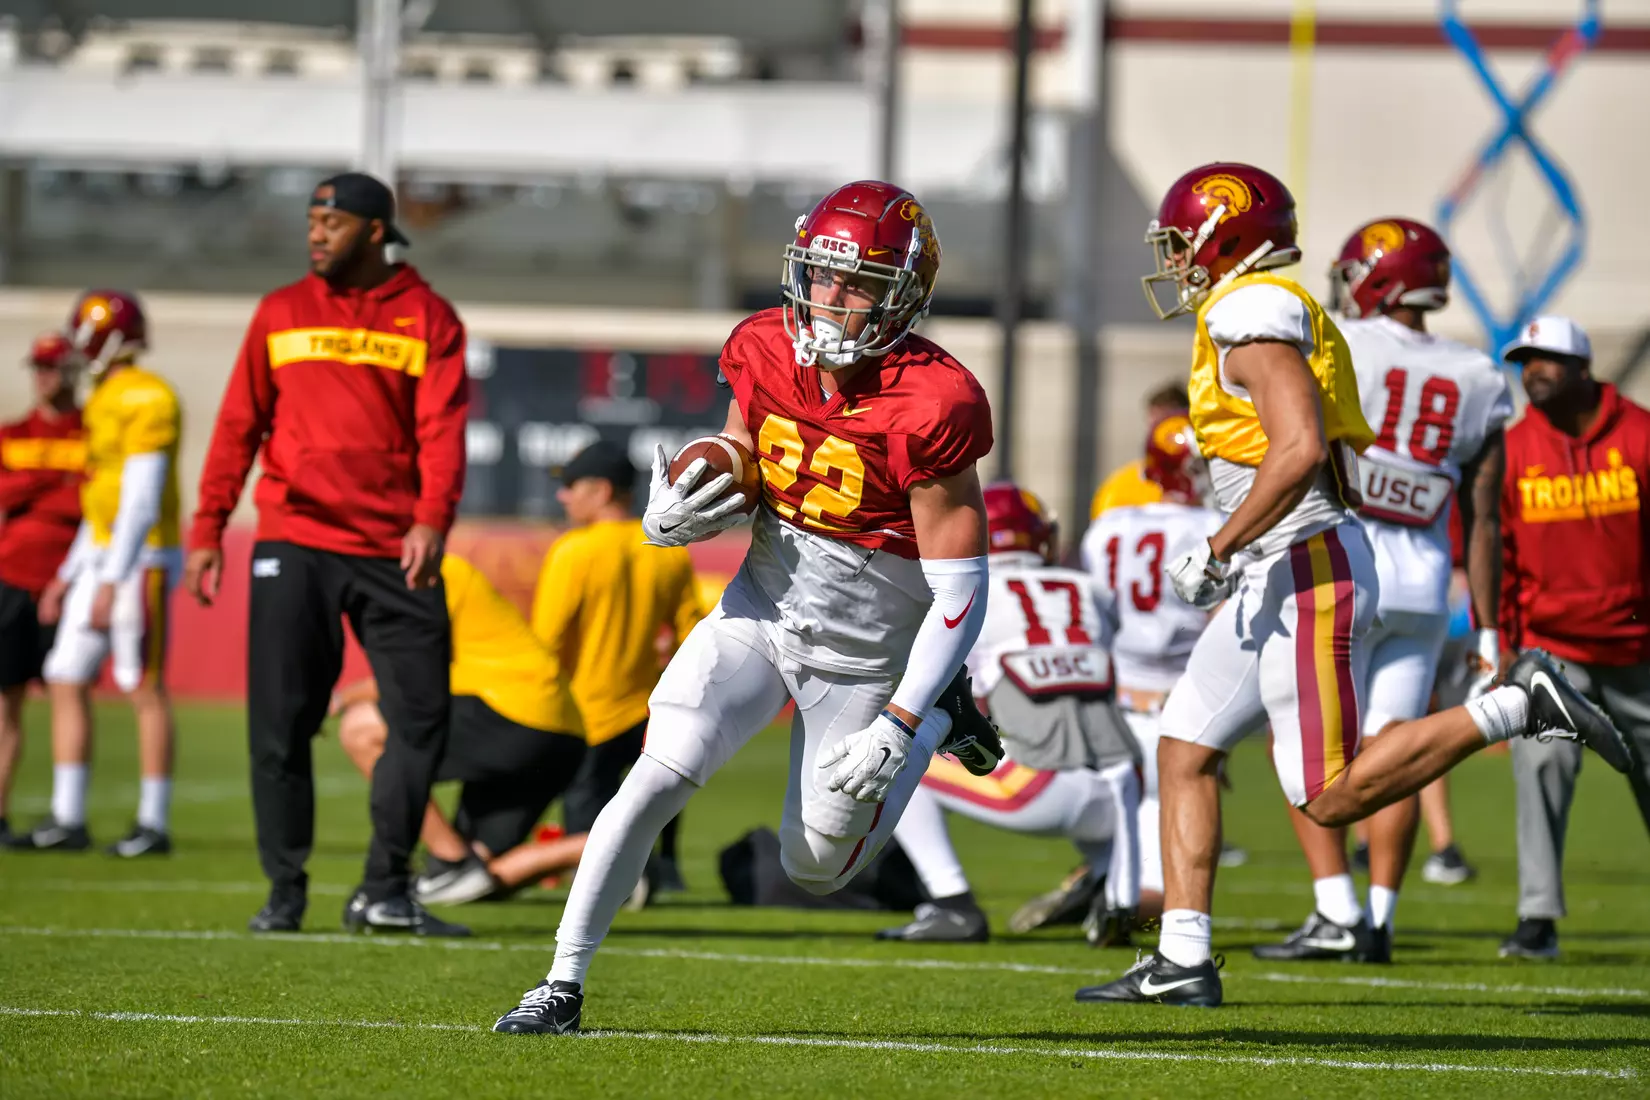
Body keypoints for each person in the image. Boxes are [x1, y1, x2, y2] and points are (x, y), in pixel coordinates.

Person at [1075, 163, 1630, 1009]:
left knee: (1329, 793)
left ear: (1225, 236)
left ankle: (1519, 704)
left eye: (1183, 243)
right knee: (1184, 746)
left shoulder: (1249, 310)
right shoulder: (1266, 309)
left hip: (1303, 565)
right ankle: (1183, 958)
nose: (1176, 261)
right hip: (1287, 565)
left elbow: (1299, 446)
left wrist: (1219, 544)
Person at [493, 179, 1004, 1035]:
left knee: (815, 869)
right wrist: (691, 494)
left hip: (866, 659)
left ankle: (944, 719)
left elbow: (961, 587)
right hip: (761, 614)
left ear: (904, 295)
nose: (831, 298)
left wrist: (904, 718)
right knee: (653, 777)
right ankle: (560, 984)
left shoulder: (934, 401)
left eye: (859, 283)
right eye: (822, 274)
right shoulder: (764, 344)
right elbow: (740, 445)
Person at [185, 172, 470, 936]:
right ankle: (285, 892)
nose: (315, 233)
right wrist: (207, 528)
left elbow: (443, 431)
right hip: (294, 540)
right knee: (279, 726)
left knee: (422, 719)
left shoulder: (429, 317)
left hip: (395, 549)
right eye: (312, 220)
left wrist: (431, 520)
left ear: (375, 232)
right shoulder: (279, 311)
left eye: (332, 222)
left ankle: (385, 888)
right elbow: (238, 425)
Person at [1255, 217, 1512, 963]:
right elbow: (1485, 517)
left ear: (1378, 277)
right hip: (1427, 585)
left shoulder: (1339, 340)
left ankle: (1334, 907)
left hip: (1344, 567)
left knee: (1298, 742)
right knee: (1394, 750)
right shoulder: (1479, 374)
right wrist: (1488, 630)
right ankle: (1382, 918)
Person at [880, 483, 1141, 945]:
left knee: (892, 756)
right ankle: (1107, 878)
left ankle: (952, 903)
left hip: (1040, 789)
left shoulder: (968, 594)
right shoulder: (1091, 590)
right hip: (1123, 792)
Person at [1497, 315, 1650, 959]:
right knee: (1541, 764)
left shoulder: (1641, 435)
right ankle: (1537, 919)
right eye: (1525, 360)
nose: (1533, 370)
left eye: (1548, 358)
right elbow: (1499, 553)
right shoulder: (1512, 449)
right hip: (1553, 652)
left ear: (1584, 368)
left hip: (1640, 649)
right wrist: (1504, 644)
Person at [13, 294, 182, 858]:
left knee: (143, 684)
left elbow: (141, 500)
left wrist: (112, 578)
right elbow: (103, 499)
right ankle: (68, 816)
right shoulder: (104, 397)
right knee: (65, 673)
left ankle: (153, 822)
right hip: (104, 552)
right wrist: (69, 574)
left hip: (142, 557)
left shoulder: (148, 396)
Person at [332, 553, 585, 905]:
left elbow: (418, 677)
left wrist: (341, 698)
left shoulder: (425, 573)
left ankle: (451, 861)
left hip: (515, 713)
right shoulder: (432, 570)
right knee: (476, 880)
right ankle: (609, 845)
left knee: (360, 729)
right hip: (562, 728)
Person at [1063, 413, 1221, 926]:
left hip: (1112, 699)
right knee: (1169, 827)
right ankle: (1125, 900)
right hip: (1181, 698)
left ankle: (1105, 880)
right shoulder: (1212, 526)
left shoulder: (1109, 526)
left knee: (1122, 811)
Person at [529, 440, 704, 899]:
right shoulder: (666, 548)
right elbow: (693, 632)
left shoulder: (574, 551)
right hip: (652, 707)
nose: (563, 496)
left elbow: (547, 643)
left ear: (603, 490)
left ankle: (611, 882)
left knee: (587, 816)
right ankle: (664, 866)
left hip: (588, 713)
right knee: (659, 792)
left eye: (571, 486)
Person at [0, 334, 85, 845]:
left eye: (53, 367)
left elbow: (90, 500)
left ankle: (66, 814)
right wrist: (53, 480)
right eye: (39, 367)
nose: (44, 377)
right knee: (5, 702)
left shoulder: (92, 432)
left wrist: (33, 485)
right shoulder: (13, 433)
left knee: (67, 694)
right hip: (11, 579)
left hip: (68, 580)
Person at [1089, 385, 1191, 519]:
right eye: (1154, 426)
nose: (1159, 438)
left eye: (1170, 430)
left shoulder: (1207, 481)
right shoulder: (1121, 486)